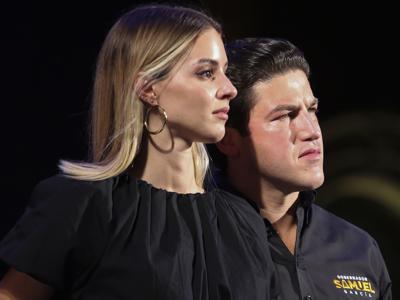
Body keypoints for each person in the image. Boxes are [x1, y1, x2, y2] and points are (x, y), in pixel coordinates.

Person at [0, 6, 277, 300]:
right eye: (206, 73)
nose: (230, 89)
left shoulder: (243, 219)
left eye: (225, 72)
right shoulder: (85, 204)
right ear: (149, 89)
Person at [210, 38, 392, 300]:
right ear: (228, 139)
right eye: (284, 116)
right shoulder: (196, 240)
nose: (311, 131)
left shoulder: (359, 249)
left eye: (312, 109)